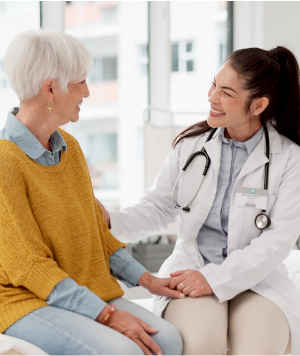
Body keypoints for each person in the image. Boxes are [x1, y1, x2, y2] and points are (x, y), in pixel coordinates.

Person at [100, 46, 300, 355]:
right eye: (213, 85)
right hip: (191, 271)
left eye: (226, 92)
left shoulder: (289, 159)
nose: (212, 97)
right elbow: (159, 206)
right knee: (202, 344)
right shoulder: (192, 146)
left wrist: (215, 279)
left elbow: (277, 241)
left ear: (258, 105)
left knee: (256, 349)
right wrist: (111, 220)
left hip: (257, 279)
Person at [0, 30, 184, 356]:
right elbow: (29, 266)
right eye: (80, 82)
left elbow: (96, 235)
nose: (87, 92)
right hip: (24, 298)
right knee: (121, 351)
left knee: (168, 339)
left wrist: (147, 280)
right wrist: (108, 315)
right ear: (51, 89)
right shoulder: (6, 162)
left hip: (79, 289)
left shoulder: (69, 148)